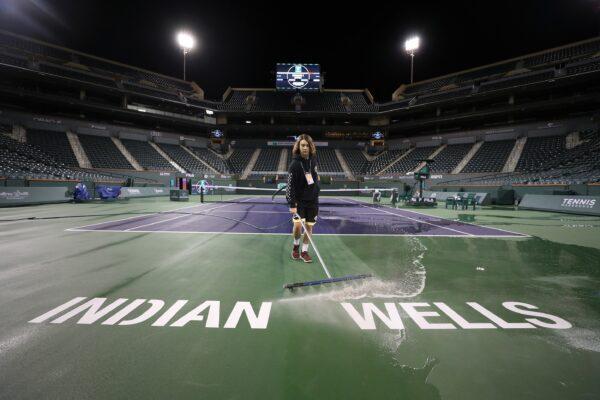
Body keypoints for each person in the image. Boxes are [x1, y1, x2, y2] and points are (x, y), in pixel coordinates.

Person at [286, 134, 319, 263]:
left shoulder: (314, 161)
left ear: (311, 147)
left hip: (312, 201)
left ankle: (304, 251)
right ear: (298, 147)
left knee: (309, 227)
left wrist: (316, 193)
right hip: (299, 202)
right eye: (302, 145)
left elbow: (315, 179)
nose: (305, 148)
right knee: (298, 226)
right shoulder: (294, 165)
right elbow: (290, 186)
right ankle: (295, 247)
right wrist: (292, 204)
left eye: (307, 145)